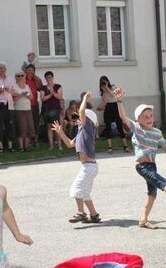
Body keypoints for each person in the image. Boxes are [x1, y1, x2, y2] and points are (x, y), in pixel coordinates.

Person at [113, 88, 166, 229]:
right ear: (138, 120)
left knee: (152, 194)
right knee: (161, 182)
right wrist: (120, 101)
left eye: (151, 116)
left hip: (152, 166)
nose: (149, 119)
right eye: (145, 117)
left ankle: (143, 220)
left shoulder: (157, 132)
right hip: (142, 167)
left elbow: (165, 146)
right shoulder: (137, 129)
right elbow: (123, 117)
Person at [51, 92, 102, 224]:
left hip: (89, 166)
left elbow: (82, 111)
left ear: (87, 120)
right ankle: (94, 215)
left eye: (79, 118)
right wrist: (60, 131)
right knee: (84, 193)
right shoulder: (80, 133)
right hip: (89, 166)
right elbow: (69, 144)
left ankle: (81, 213)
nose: (77, 120)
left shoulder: (87, 128)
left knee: (76, 188)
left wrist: (84, 99)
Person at [97, 76, 128, 153]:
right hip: (108, 108)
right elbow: (105, 101)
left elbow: (114, 96)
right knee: (108, 128)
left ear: (108, 81)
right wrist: (103, 101)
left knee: (120, 126)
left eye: (105, 81)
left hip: (115, 106)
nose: (104, 83)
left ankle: (125, 146)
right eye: (102, 82)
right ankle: (110, 147)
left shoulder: (113, 87)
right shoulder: (102, 91)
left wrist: (107, 88)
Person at [11, 72, 34, 151]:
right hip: (19, 109)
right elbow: (13, 98)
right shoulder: (14, 86)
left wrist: (24, 94)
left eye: (22, 75)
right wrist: (22, 94)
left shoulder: (27, 86)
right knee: (21, 128)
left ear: (24, 77)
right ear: (16, 77)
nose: (20, 77)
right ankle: (21, 147)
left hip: (28, 109)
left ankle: (26, 146)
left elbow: (31, 97)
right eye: (18, 76)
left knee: (28, 127)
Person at [41, 71, 64, 150]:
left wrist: (53, 93)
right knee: (49, 128)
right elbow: (42, 98)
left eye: (50, 77)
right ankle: (51, 145)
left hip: (55, 110)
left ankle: (59, 145)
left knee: (57, 128)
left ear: (53, 77)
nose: (49, 79)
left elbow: (60, 97)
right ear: (45, 79)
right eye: (47, 77)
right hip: (46, 110)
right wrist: (50, 94)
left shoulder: (58, 86)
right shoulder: (43, 88)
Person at [24, 64, 42, 146]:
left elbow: (40, 88)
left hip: (35, 104)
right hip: (27, 105)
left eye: (32, 70)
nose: (30, 71)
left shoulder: (36, 80)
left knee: (36, 122)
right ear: (26, 71)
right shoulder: (23, 79)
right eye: (29, 70)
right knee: (28, 123)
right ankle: (29, 141)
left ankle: (36, 140)